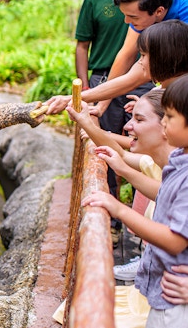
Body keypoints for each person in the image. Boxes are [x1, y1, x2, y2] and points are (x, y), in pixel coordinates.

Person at [81, 73, 188, 327]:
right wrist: (123, 169)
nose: (164, 125)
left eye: (170, 118)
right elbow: (164, 195)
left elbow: (175, 240)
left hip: (174, 300)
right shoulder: (178, 161)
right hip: (162, 291)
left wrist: (119, 209)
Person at [45, 0, 188, 115]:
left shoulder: (183, 17)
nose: (127, 22)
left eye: (132, 17)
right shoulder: (146, 7)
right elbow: (126, 55)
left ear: (159, 12)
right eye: (125, 15)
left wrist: (73, 99)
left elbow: (138, 76)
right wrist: (101, 106)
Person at [74, 0, 147, 209]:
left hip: (141, 80)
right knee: (101, 146)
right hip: (103, 78)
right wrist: (87, 88)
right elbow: (82, 46)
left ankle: (140, 209)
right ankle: (111, 214)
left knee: (141, 144)